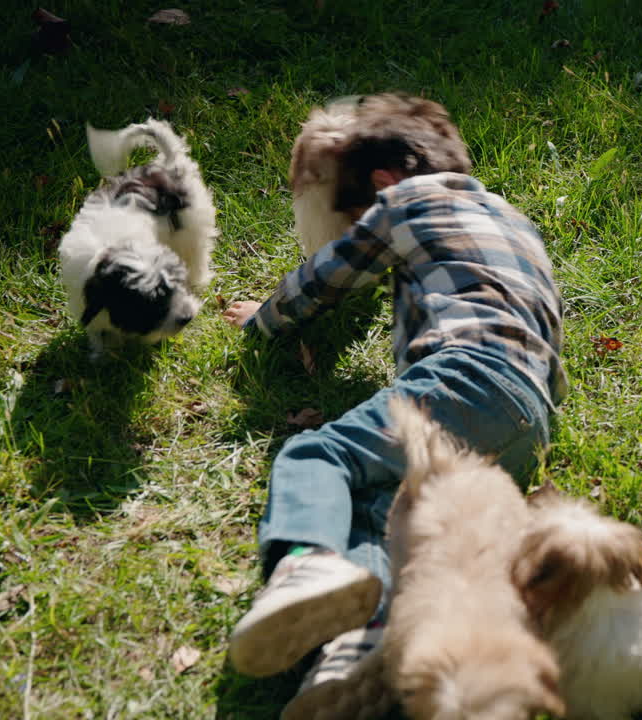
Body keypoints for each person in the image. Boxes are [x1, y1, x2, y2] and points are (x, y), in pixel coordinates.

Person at [222, 93, 567, 714]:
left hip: (468, 374)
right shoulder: (517, 224)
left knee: (319, 455)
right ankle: (358, 651)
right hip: (530, 420)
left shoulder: (404, 200)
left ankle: (307, 562)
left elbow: (326, 276)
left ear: (384, 183)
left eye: (353, 211)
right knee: (385, 504)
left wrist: (262, 320)